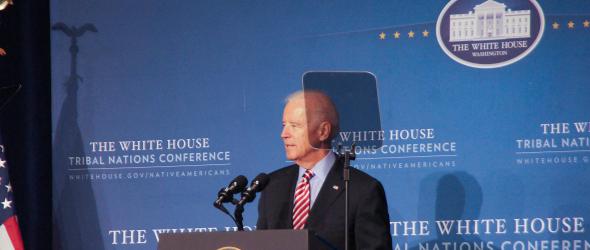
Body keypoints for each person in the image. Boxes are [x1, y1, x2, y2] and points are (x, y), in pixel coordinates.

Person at [256, 90, 392, 250]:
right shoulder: (272, 186)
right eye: (284, 125)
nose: (284, 134)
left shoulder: (362, 190)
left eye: (295, 126)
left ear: (323, 131)